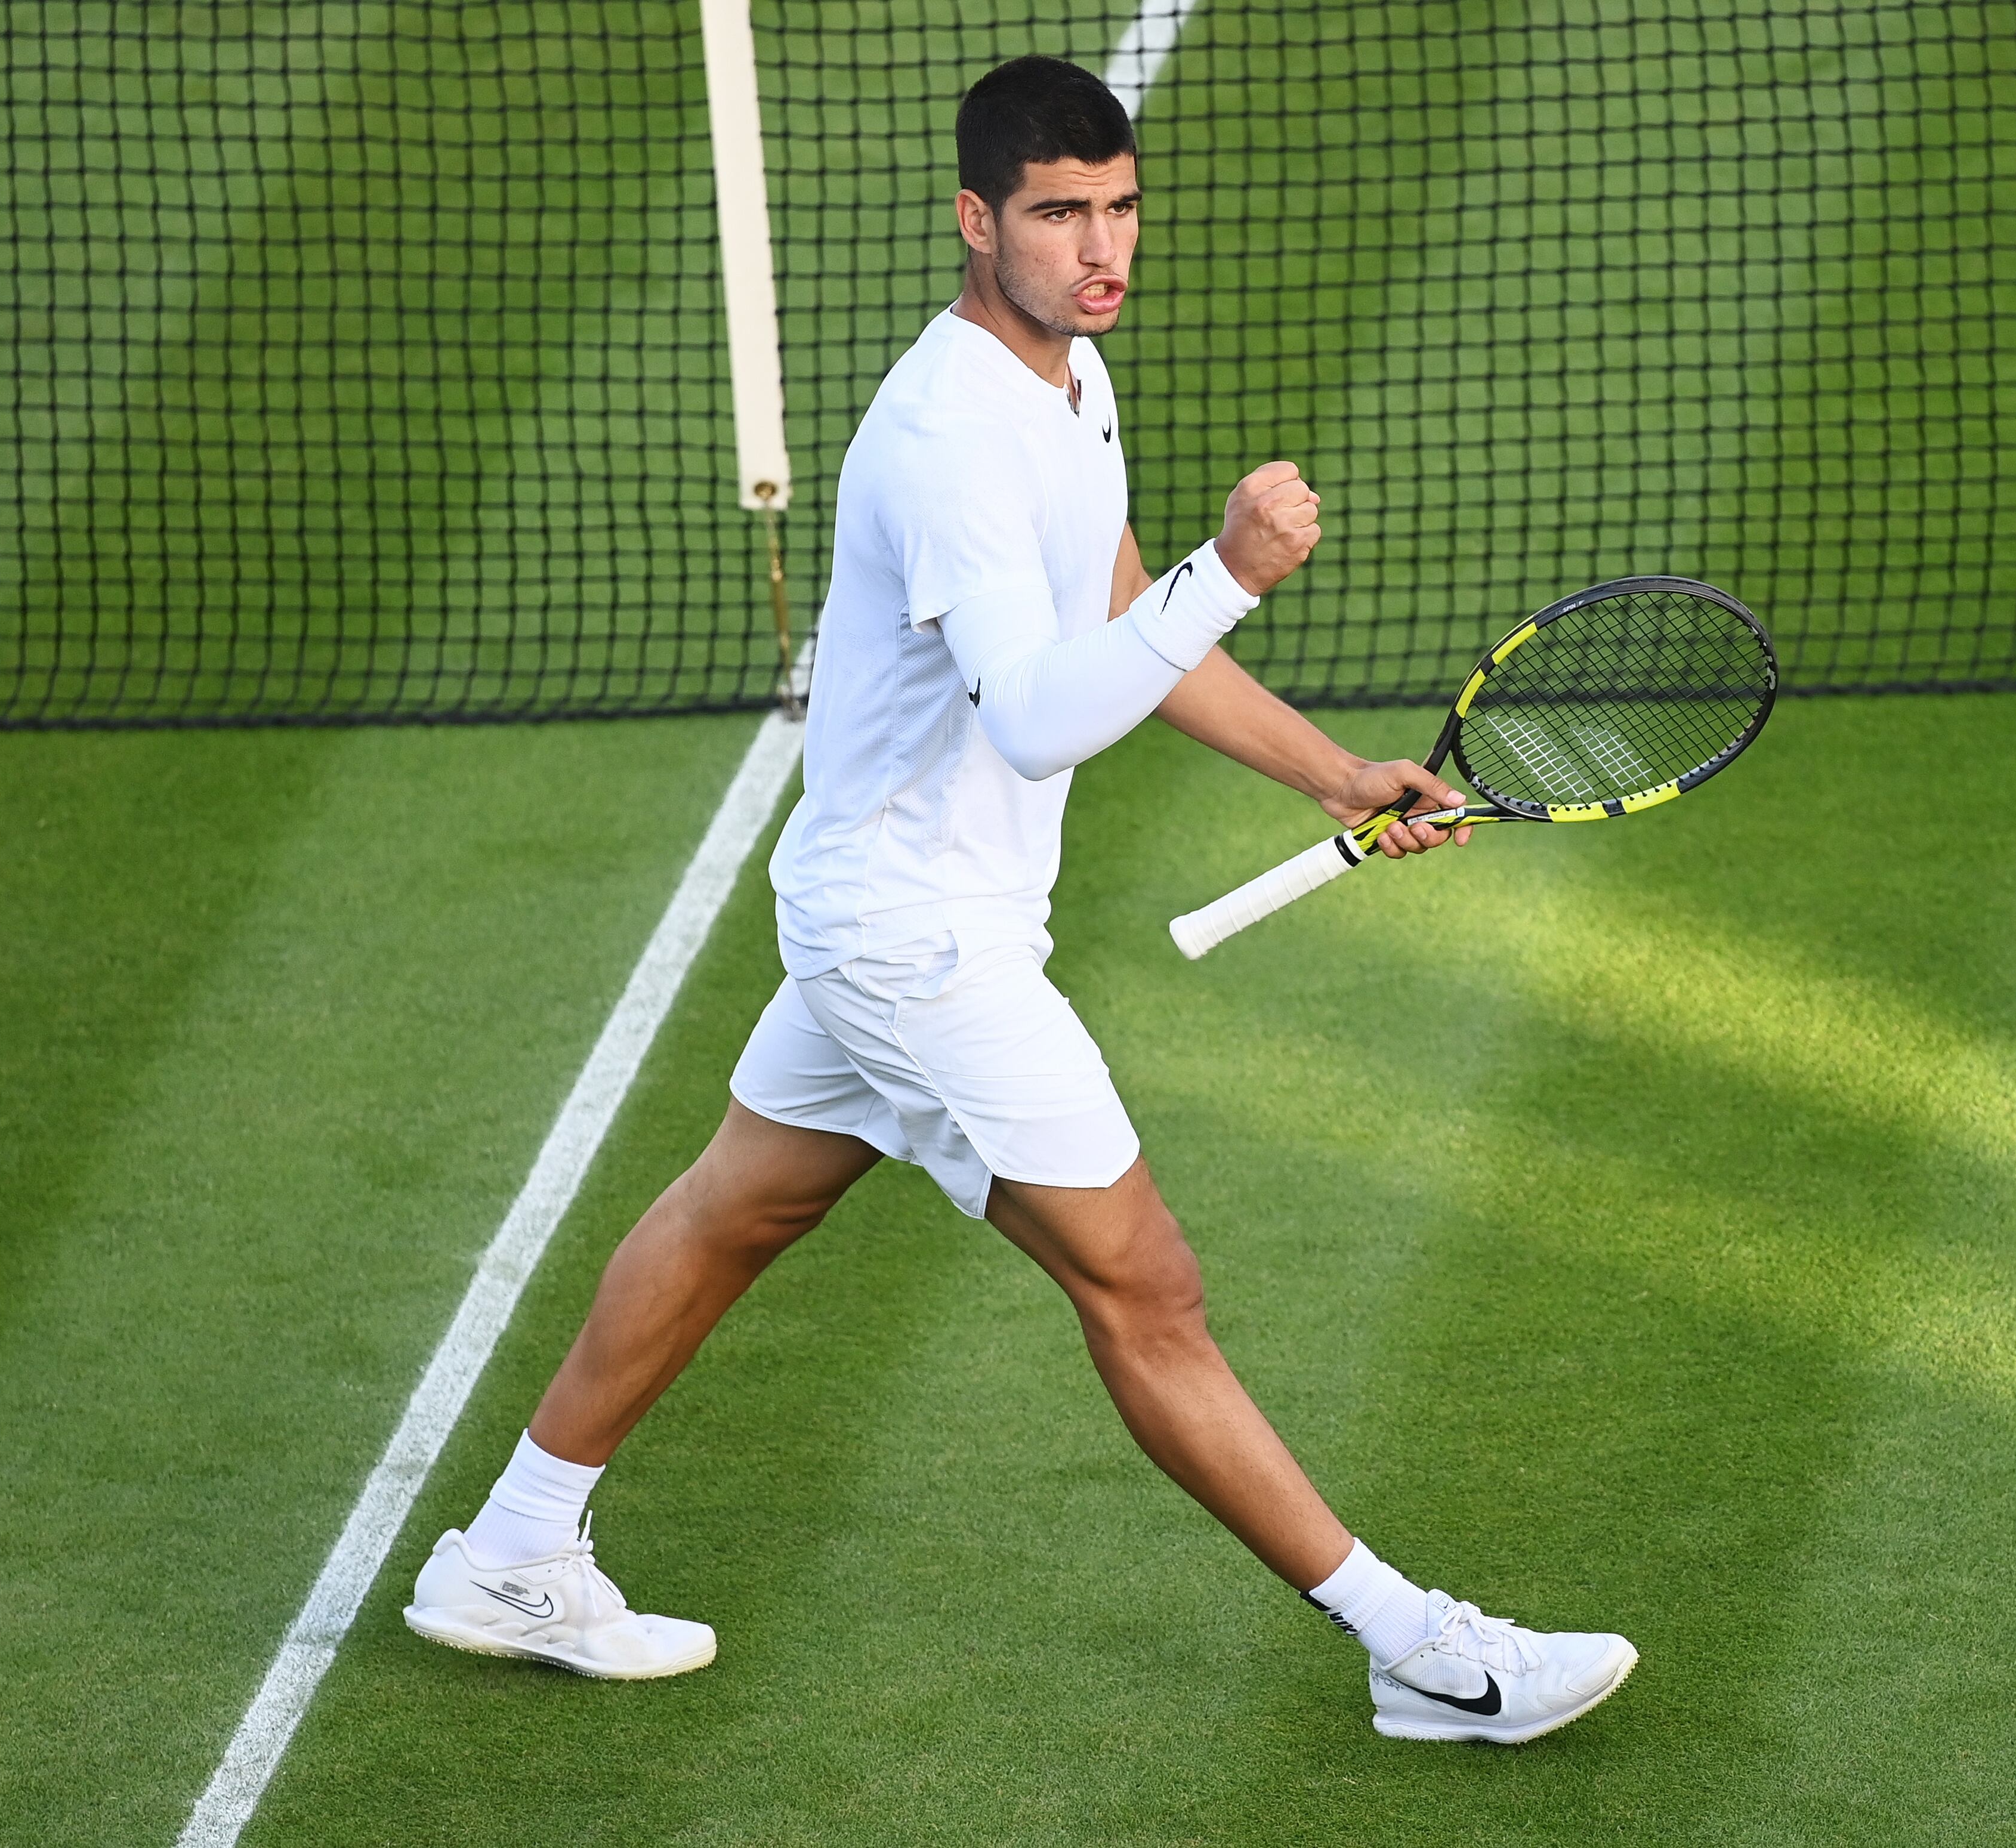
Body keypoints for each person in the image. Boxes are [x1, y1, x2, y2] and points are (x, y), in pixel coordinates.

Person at [403, 54, 1634, 1745]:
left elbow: (1114, 608)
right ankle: (1427, 1651)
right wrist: (1237, 570)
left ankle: (513, 1548)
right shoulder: (945, 438)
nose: (1101, 244)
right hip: (917, 941)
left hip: (888, 911)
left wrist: (1331, 771)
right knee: (1149, 1287)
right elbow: (1048, 706)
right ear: (977, 221)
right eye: (1062, 214)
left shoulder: (1072, 381)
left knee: (735, 1207)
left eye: (1121, 207)